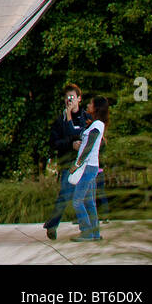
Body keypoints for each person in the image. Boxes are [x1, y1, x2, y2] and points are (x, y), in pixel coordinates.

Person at [44, 83, 87, 240]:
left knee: (85, 196)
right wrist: (70, 143)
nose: (70, 101)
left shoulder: (85, 118)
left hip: (84, 162)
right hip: (67, 163)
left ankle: (88, 228)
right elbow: (54, 143)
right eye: (67, 98)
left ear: (79, 99)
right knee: (65, 194)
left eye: (72, 97)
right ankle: (53, 224)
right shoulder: (60, 121)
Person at [69, 95, 107, 242]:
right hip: (90, 166)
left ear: (96, 107)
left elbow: (89, 147)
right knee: (89, 201)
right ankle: (95, 233)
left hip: (87, 166)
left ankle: (86, 232)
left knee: (77, 201)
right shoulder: (94, 124)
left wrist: (76, 164)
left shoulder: (97, 125)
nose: (88, 106)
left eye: (91, 104)